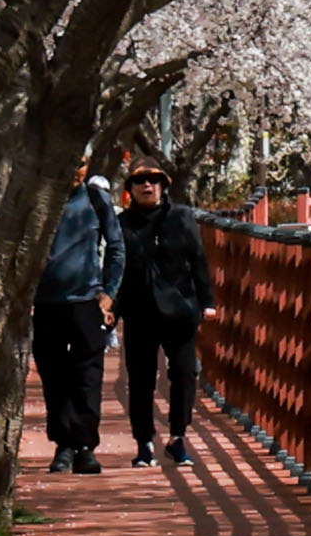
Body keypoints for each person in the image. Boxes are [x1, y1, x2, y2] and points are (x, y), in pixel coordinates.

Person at [117, 164, 213, 467]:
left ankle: (177, 437)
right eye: (141, 181)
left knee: (185, 373)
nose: (148, 185)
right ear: (131, 188)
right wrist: (111, 306)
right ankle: (144, 443)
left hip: (180, 310)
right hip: (139, 311)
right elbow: (114, 267)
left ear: (163, 186)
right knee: (142, 379)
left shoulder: (182, 218)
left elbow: (198, 259)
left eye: (155, 180)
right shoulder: (122, 224)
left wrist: (206, 301)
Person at [31, 162, 120, 474]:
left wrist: (108, 294)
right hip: (45, 303)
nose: (74, 169)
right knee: (54, 377)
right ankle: (63, 445)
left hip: (86, 301)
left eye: (81, 164)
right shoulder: (36, 198)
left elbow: (116, 248)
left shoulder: (96, 200)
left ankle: (85, 446)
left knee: (88, 377)